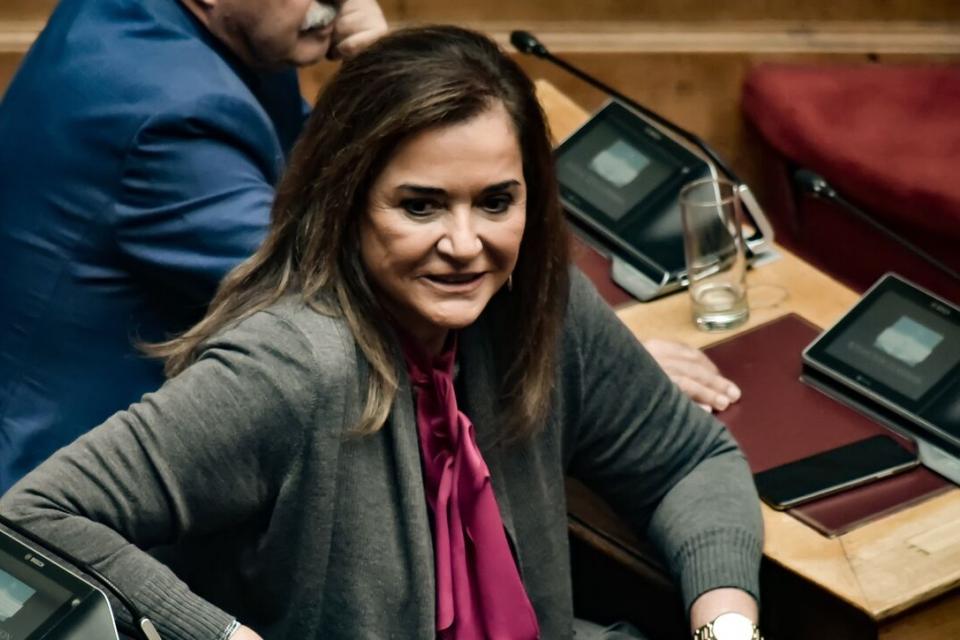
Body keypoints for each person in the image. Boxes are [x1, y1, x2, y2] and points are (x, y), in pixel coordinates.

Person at [1, 26, 763, 640]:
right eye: (421, 206)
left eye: (496, 202)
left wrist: (725, 625)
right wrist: (220, 634)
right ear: (348, 203)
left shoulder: (542, 306)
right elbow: (34, 517)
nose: (465, 244)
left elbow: (688, 461)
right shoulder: (289, 364)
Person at [0, 0, 388, 491]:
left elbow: (306, 175)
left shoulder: (214, 33)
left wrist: (376, 77)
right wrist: (385, 89)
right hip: (59, 494)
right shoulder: (175, 114)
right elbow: (337, 295)